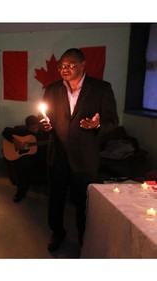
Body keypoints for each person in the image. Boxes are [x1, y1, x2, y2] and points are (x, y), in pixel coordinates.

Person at [40, 48, 119, 251]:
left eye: (70, 65)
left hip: (85, 158)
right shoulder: (52, 89)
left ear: (83, 65)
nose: (64, 69)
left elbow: (112, 122)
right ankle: (57, 232)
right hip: (58, 155)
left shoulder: (101, 88)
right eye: (61, 66)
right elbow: (48, 119)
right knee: (55, 200)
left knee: (83, 203)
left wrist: (97, 126)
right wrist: (46, 126)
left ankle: (85, 238)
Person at [2, 115, 50, 203]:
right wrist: (15, 141)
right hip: (29, 158)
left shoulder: (44, 132)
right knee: (25, 166)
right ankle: (20, 193)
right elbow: (5, 131)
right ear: (27, 127)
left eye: (36, 127)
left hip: (41, 157)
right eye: (32, 128)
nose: (34, 130)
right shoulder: (23, 130)